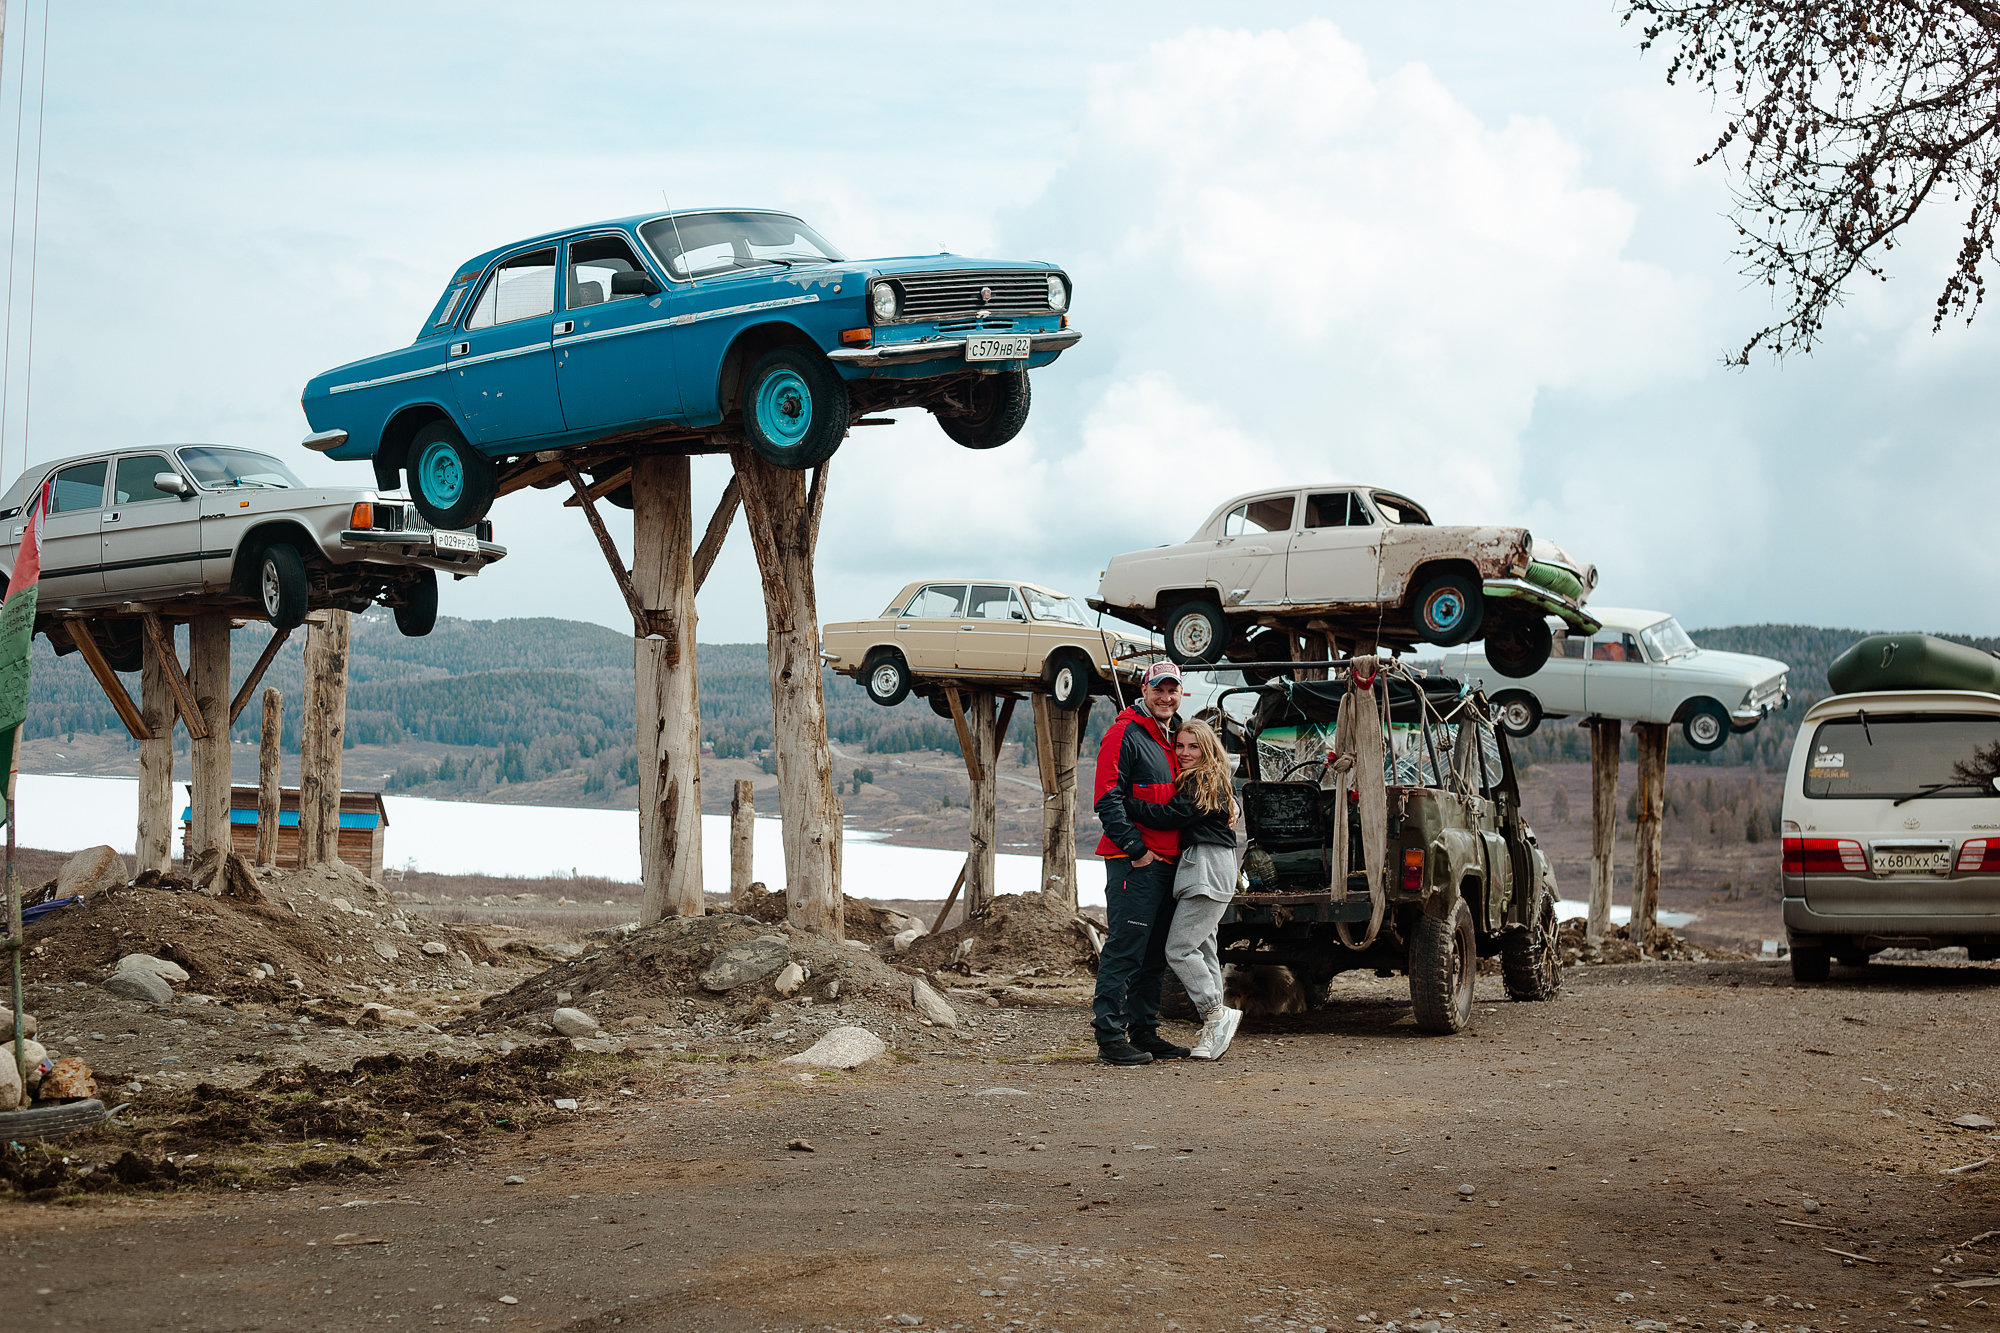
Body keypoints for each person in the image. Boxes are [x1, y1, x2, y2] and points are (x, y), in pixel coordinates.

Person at [1126, 718, 1245, 1061]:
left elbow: (1170, 815)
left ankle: (1216, 1015)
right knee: (1204, 948)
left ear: (1207, 748)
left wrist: (1127, 802)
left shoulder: (1205, 779)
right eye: (1179, 745)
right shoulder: (1218, 780)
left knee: (1178, 948)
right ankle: (1215, 1023)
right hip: (1207, 865)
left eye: (1193, 746)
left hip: (1206, 867)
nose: (1184, 752)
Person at [1089, 660, 1189, 1066]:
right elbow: (1106, 798)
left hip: (1170, 863)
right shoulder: (1123, 733)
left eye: (1173, 690)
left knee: (1155, 954)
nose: (1166, 697)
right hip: (1135, 862)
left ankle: (1145, 1032)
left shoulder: (1176, 738)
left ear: (1181, 693)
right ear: (1144, 691)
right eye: (1158, 690)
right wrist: (1136, 850)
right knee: (1125, 948)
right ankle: (1110, 1038)